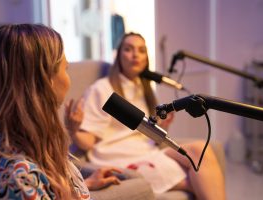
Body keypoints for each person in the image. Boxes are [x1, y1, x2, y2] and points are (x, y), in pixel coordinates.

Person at [67, 32, 226, 200]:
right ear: (119, 55)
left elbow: (144, 131)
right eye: (128, 49)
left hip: (147, 150)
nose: (135, 54)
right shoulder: (102, 89)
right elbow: (88, 143)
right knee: (199, 179)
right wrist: (74, 129)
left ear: (146, 58)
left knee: (200, 149)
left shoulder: (144, 89)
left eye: (141, 50)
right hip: (118, 156)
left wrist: (162, 127)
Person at [0, 24, 122, 200]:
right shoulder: (20, 177)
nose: (69, 80)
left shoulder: (1, 149)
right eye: (65, 69)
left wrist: (83, 184)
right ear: (45, 81)